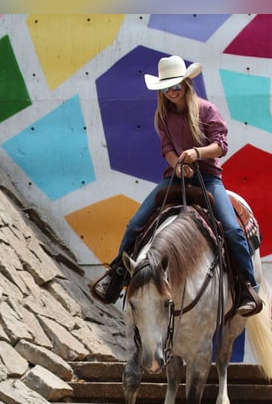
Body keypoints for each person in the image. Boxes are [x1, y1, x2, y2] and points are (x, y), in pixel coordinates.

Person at [91, 54, 262, 316]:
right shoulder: (163, 116)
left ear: (186, 84)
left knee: (231, 228)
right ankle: (117, 274)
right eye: (167, 88)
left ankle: (248, 287)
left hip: (208, 178)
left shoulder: (206, 110)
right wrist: (178, 165)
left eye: (176, 86)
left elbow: (221, 146)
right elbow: (167, 148)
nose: (172, 92)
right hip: (175, 176)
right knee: (136, 223)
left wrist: (197, 153)